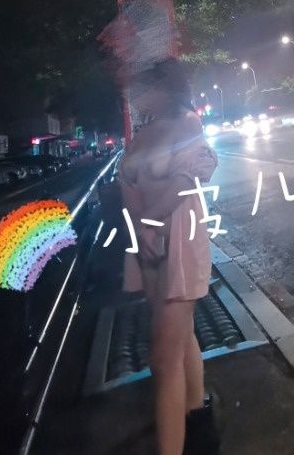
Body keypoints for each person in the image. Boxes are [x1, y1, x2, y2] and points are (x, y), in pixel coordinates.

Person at [119, 58, 220, 455]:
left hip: (179, 242)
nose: (134, 96)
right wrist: (139, 225)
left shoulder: (187, 123)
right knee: (181, 338)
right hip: (148, 248)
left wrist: (147, 222)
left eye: (141, 88)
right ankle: (200, 428)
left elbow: (183, 184)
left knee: (162, 359)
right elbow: (127, 182)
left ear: (164, 88)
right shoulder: (143, 133)